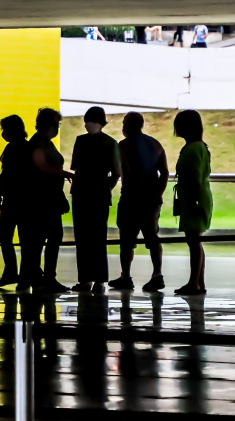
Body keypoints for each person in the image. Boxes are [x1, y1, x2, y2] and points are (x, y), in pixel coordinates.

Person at [108, 113, 168, 291]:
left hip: (130, 198)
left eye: (124, 123)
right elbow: (164, 172)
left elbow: (119, 171)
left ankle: (126, 276)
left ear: (127, 126)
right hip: (151, 198)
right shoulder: (155, 144)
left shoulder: (123, 146)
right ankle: (157, 274)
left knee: (126, 239)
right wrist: (159, 193)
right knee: (152, 237)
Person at [19, 108, 74, 293]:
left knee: (41, 239)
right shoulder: (39, 144)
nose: (57, 128)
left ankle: (39, 276)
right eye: (56, 124)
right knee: (48, 238)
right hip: (43, 200)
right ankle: (45, 277)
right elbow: (43, 167)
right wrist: (65, 173)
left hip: (46, 199)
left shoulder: (42, 143)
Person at [70, 106, 121, 293]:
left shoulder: (81, 141)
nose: (86, 125)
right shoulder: (111, 143)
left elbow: (76, 167)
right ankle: (99, 280)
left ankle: (85, 279)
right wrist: (106, 188)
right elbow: (116, 172)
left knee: (82, 237)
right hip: (99, 194)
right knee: (98, 237)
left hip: (81, 192)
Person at [173, 110, 213, 295]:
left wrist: (194, 201)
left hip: (193, 200)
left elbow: (195, 177)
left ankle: (194, 283)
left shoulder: (192, 148)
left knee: (194, 241)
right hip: (198, 198)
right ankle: (198, 282)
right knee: (196, 242)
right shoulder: (200, 146)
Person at [0, 115, 27, 287]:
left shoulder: (19, 149)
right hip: (15, 199)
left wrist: (1, 193)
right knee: (12, 238)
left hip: (19, 200)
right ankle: (18, 274)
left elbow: (6, 174)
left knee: (9, 237)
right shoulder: (21, 148)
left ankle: (15, 273)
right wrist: (0, 193)